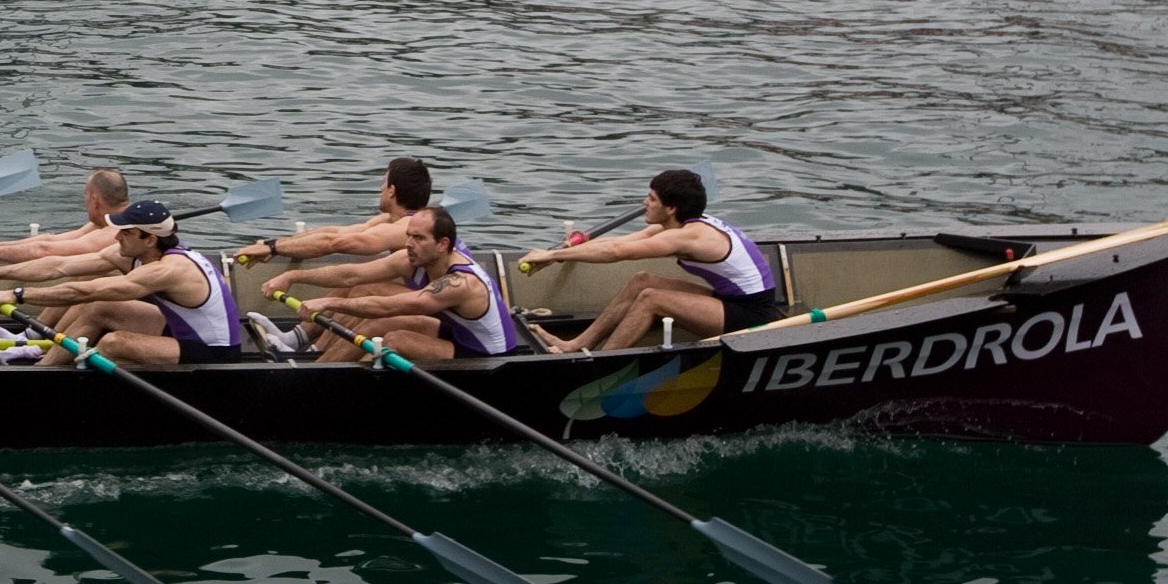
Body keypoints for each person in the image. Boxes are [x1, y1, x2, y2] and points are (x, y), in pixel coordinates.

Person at [518, 168, 785, 350]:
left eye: (652, 198)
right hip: (729, 300)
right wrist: (557, 256)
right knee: (642, 281)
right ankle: (575, 346)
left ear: (671, 208)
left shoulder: (690, 237)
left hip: (752, 315)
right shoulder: (678, 225)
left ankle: (600, 362)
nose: (645, 202)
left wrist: (553, 254)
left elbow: (617, 254)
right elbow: (617, 242)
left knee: (651, 298)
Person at [0, 201, 243, 368]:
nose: (118, 237)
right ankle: (44, 368)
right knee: (99, 308)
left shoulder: (169, 270)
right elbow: (59, 266)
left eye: (127, 232)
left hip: (214, 353)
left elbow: (84, 290)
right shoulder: (136, 253)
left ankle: (81, 373)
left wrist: (18, 295)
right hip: (178, 331)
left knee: (114, 342)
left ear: (150, 239)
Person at [292, 208, 519, 364]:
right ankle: (319, 370)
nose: (409, 244)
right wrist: (293, 276)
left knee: (394, 340)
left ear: (442, 244)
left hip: (486, 355)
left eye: (419, 238)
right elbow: (351, 274)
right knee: (376, 327)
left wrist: (330, 303)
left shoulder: (460, 283)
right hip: (459, 334)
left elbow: (387, 306)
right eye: (409, 236)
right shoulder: (417, 258)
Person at [227, 157, 432, 267]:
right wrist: (276, 243)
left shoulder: (407, 227)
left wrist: (273, 249)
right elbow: (336, 232)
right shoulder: (388, 220)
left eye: (383, 183)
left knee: (361, 287)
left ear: (392, 190)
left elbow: (335, 244)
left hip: (434, 310)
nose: (379, 189)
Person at [0, 167, 132, 270]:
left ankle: (32, 336)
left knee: (83, 277)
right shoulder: (107, 220)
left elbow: (45, 250)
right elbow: (49, 239)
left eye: (85, 194)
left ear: (94, 199)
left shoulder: (115, 232)